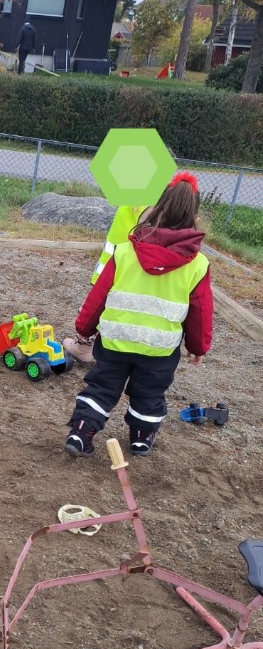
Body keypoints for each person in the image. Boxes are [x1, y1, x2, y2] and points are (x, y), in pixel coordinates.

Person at [64, 171, 213, 458]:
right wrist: (198, 347)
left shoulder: (124, 252)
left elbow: (99, 296)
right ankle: (142, 439)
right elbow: (200, 310)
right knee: (149, 393)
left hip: (115, 340)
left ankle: (81, 431)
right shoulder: (198, 264)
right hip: (159, 349)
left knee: (102, 387)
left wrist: (84, 327)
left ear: (156, 210)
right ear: (195, 218)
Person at [62, 202, 150, 364]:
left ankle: (85, 346)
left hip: (122, 265)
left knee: (99, 307)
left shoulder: (145, 198)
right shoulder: (159, 196)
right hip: (129, 264)